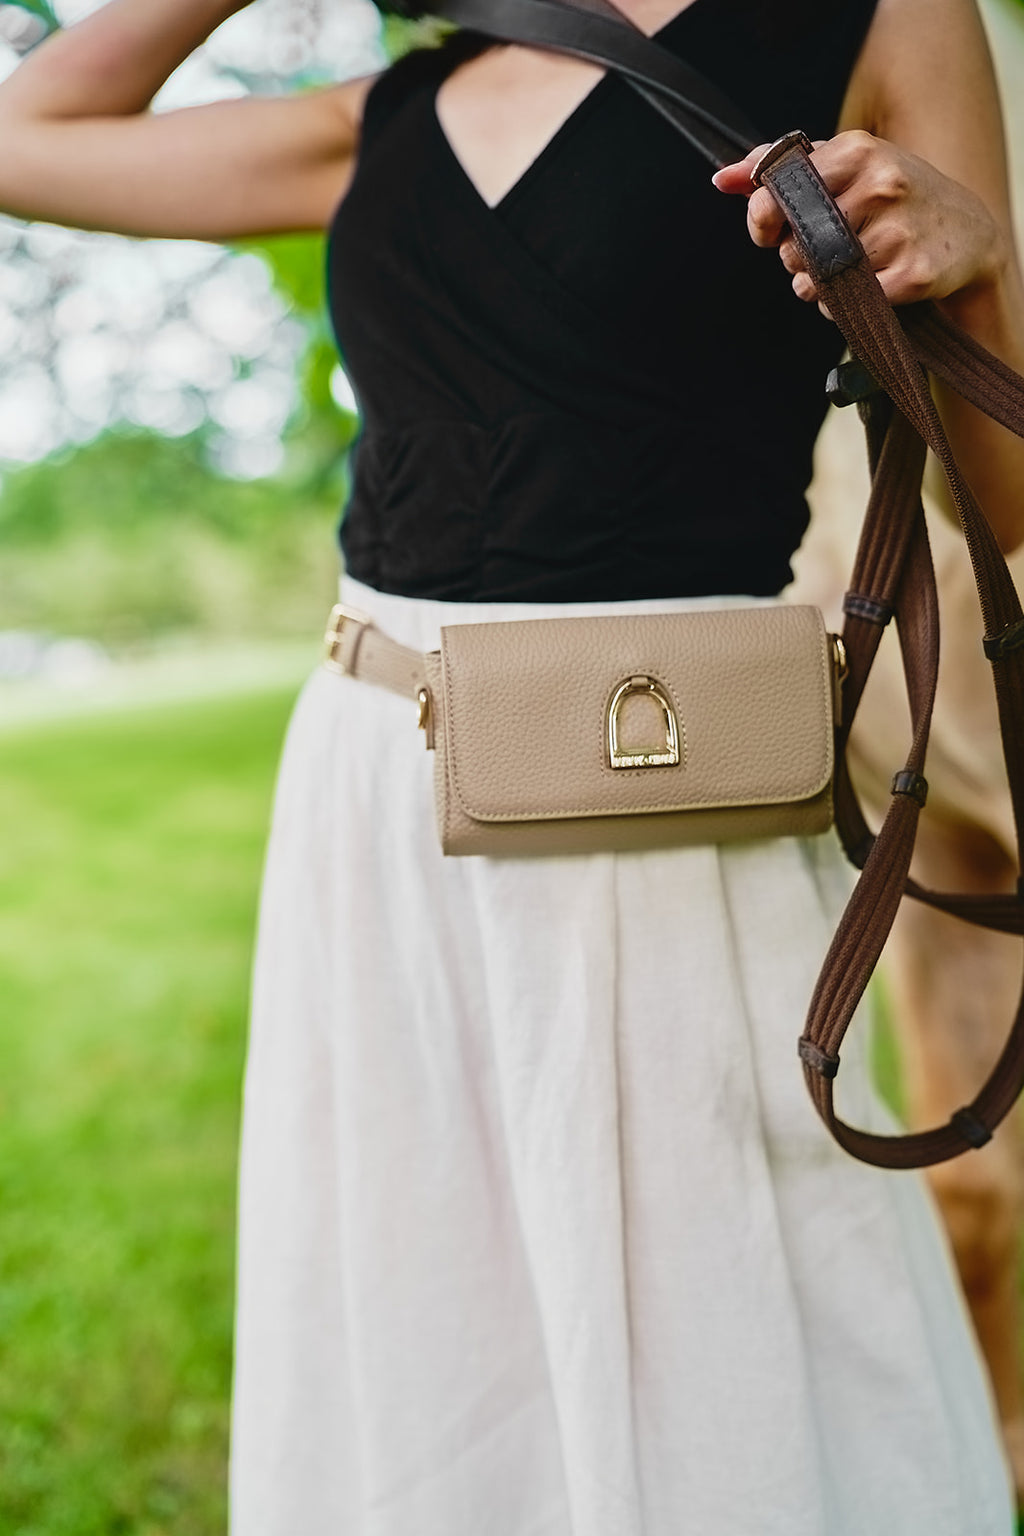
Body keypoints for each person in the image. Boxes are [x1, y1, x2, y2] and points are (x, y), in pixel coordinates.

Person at [2, 0, 1024, 1530]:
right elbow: (28, 141)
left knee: (728, 1284)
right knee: (426, 1277)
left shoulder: (874, 16)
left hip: (679, 788)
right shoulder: (391, 110)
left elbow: (998, 501)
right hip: (380, 787)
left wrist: (980, 257)